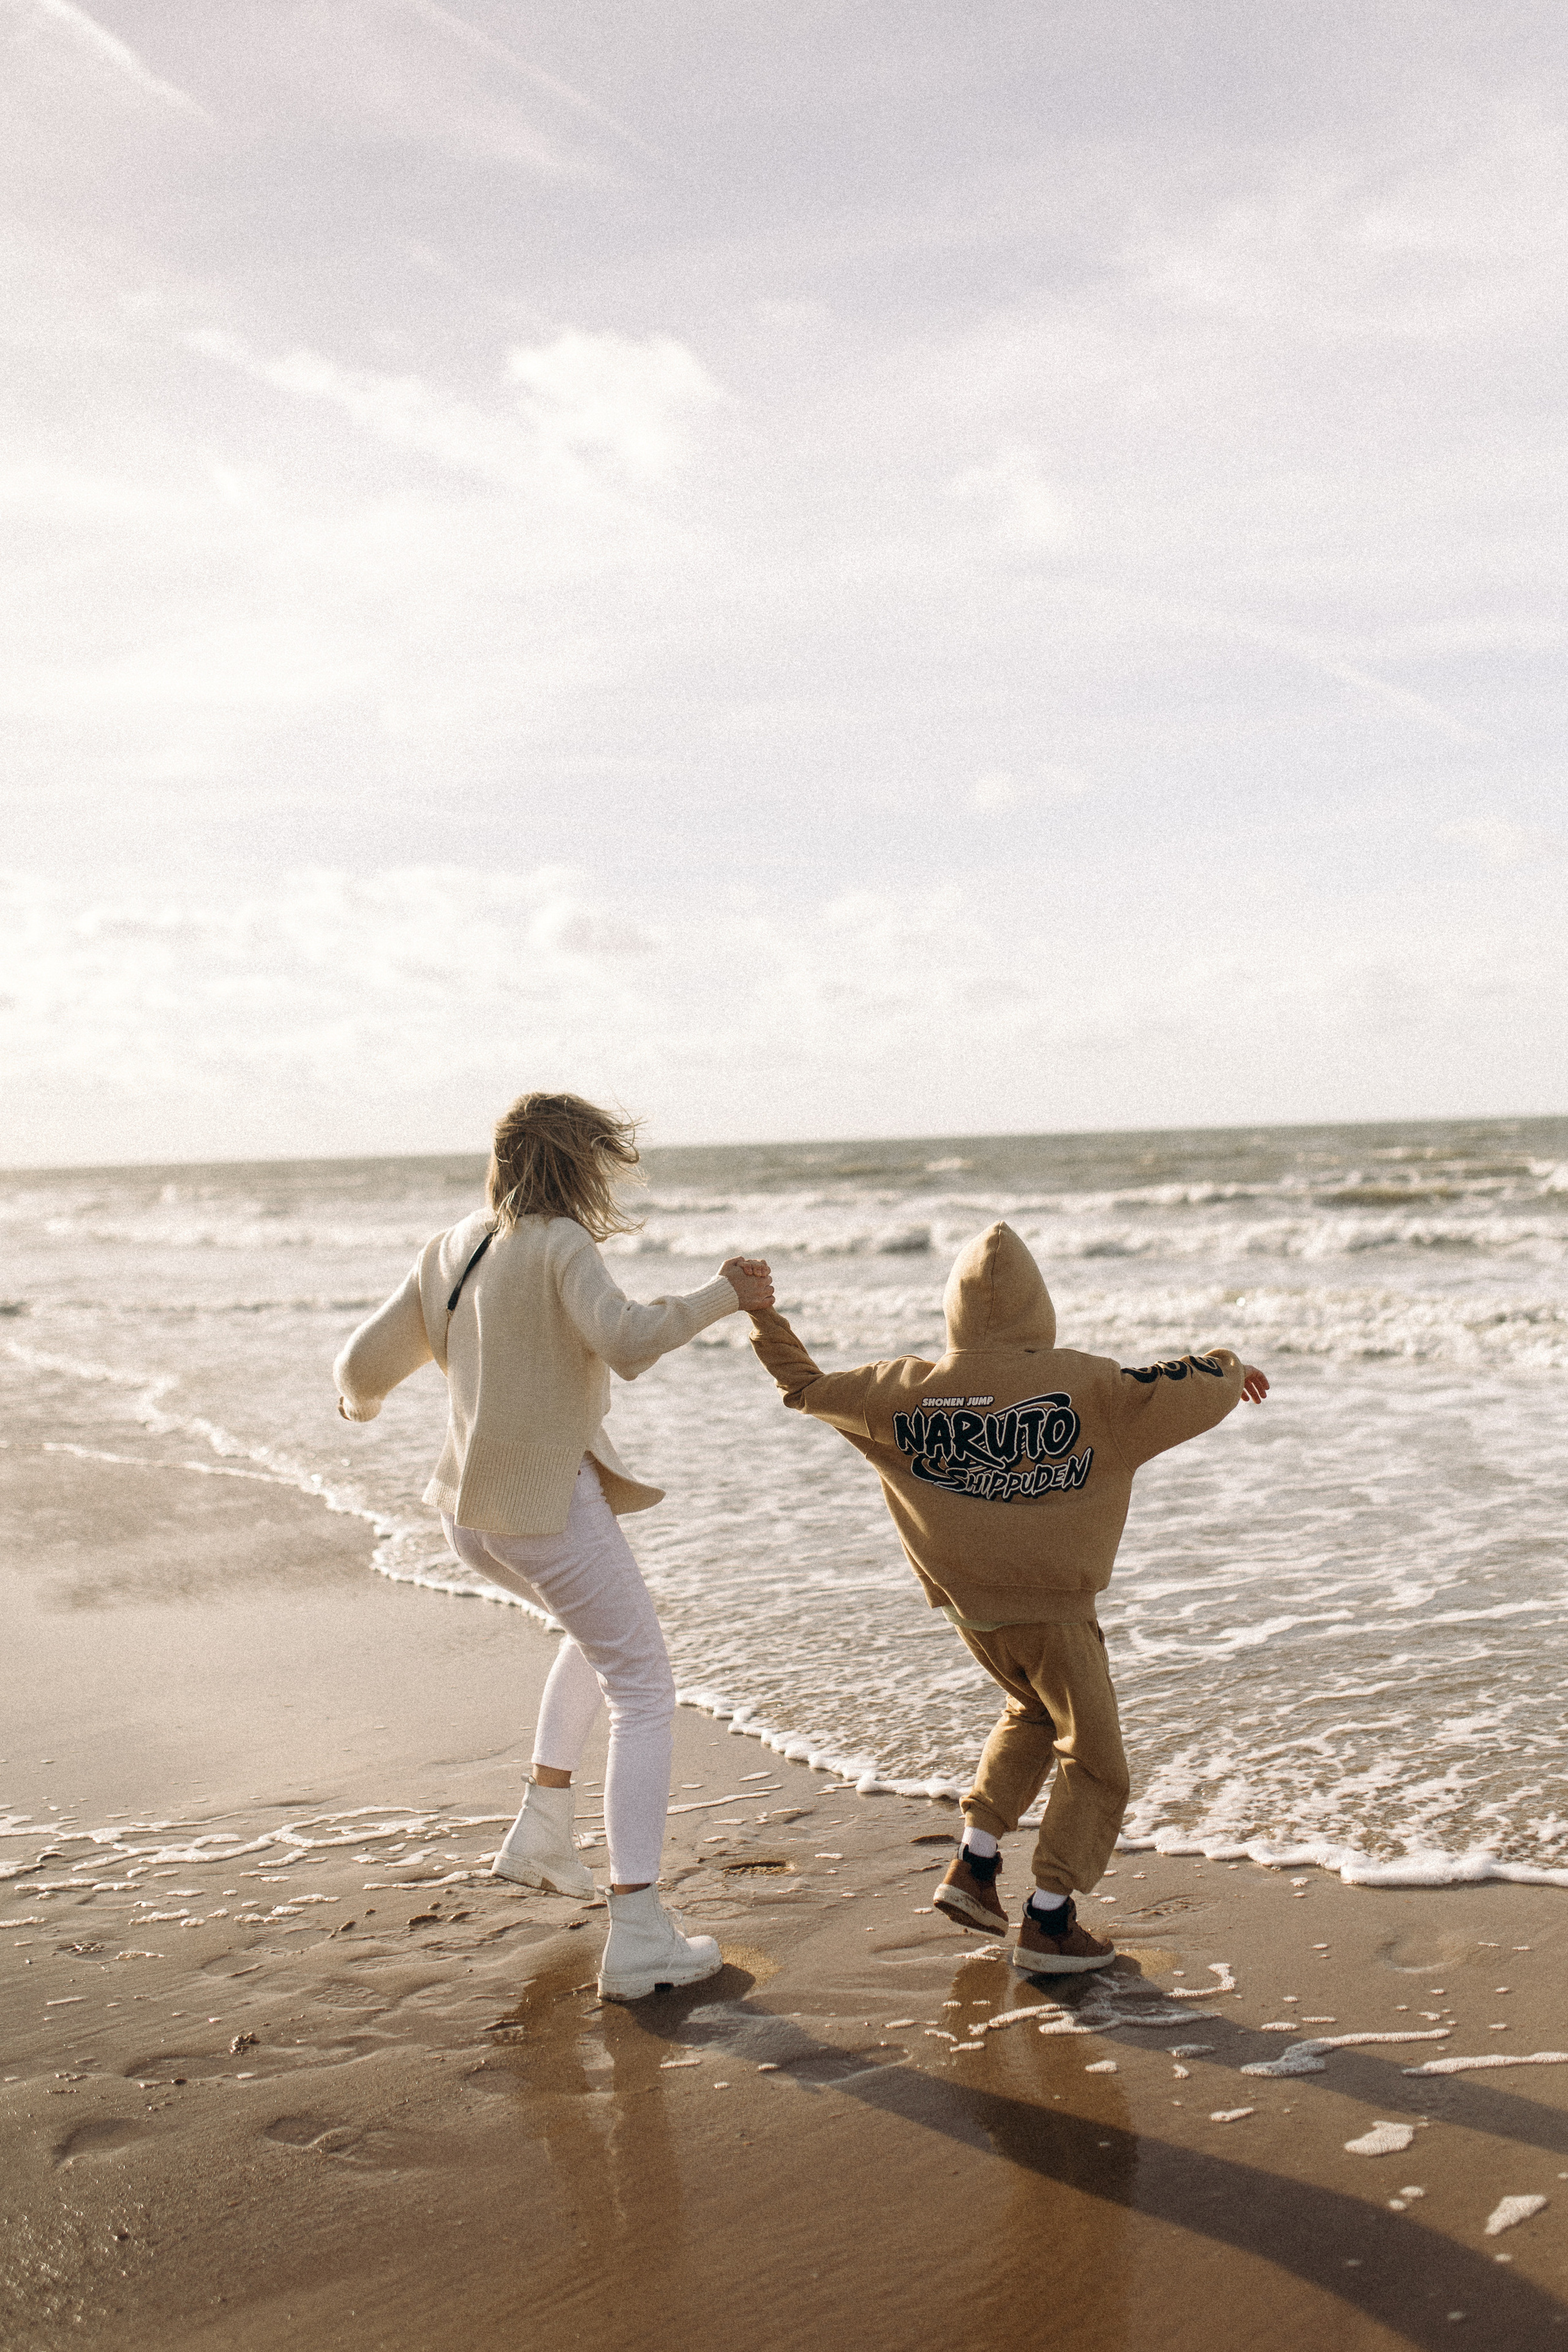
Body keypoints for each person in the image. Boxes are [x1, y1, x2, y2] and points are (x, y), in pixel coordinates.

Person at [333, 1090, 774, 2002]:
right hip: (546, 1509)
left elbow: (360, 1369)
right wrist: (725, 1295)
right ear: (576, 1166)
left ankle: (541, 1827)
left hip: (469, 1517)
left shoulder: (455, 1246)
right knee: (646, 1686)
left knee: (597, 1641)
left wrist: (360, 1406)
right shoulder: (562, 1245)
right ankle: (640, 1928)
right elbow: (627, 1341)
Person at [746, 1219, 1267, 1975]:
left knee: (1030, 1713)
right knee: (1096, 1764)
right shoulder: (1093, 1388)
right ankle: (1050, 1922)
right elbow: (1185, 1385)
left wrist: (762, 1316)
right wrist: (1230, 1363)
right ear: (1040, 1308)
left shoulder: (903, 1391)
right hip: (1054, 1611)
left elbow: (802, 1385)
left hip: (971, 1612)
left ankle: (975, 1866)